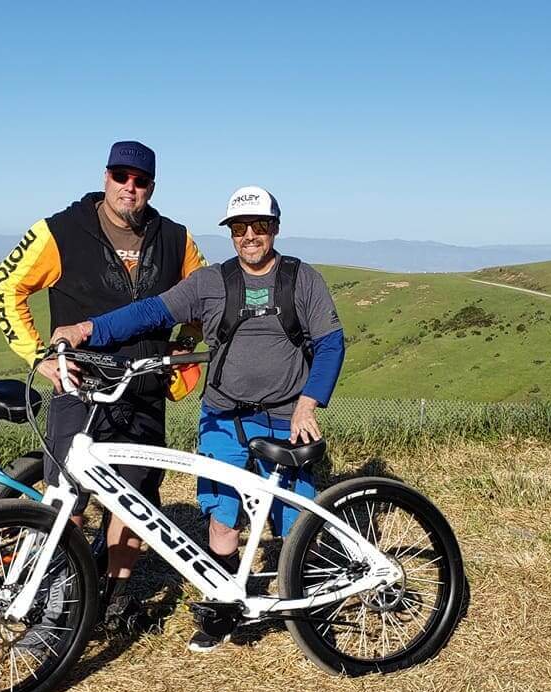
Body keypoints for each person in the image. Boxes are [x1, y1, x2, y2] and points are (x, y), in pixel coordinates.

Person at [50, 185, 346, 651]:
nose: (251, 236)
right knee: (221, 519)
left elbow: (331, 342)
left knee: (292, 521)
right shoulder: (211, 282)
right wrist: (89, 329)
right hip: (224, 417)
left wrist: (310, 402)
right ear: (230, 233)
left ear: (275, 228)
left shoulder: (301, 280)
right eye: (240, 228)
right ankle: (224, 607)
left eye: (260, 226)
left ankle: (306, 608)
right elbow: (149, 313)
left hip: (287, 415)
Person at [0, 140, 208, 631]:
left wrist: (185, 350)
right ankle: (56, 593)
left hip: (145, 386)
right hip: (80, 385)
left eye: (141, 180)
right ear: (105, 176)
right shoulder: (60, 230)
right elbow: (6, 287)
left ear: (152, 186)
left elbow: (205, 297)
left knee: (135, 499)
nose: (129, 188)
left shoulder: (177, 238)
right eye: (121, 176)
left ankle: (114, 595)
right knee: (66, 493)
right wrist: (38, 355)